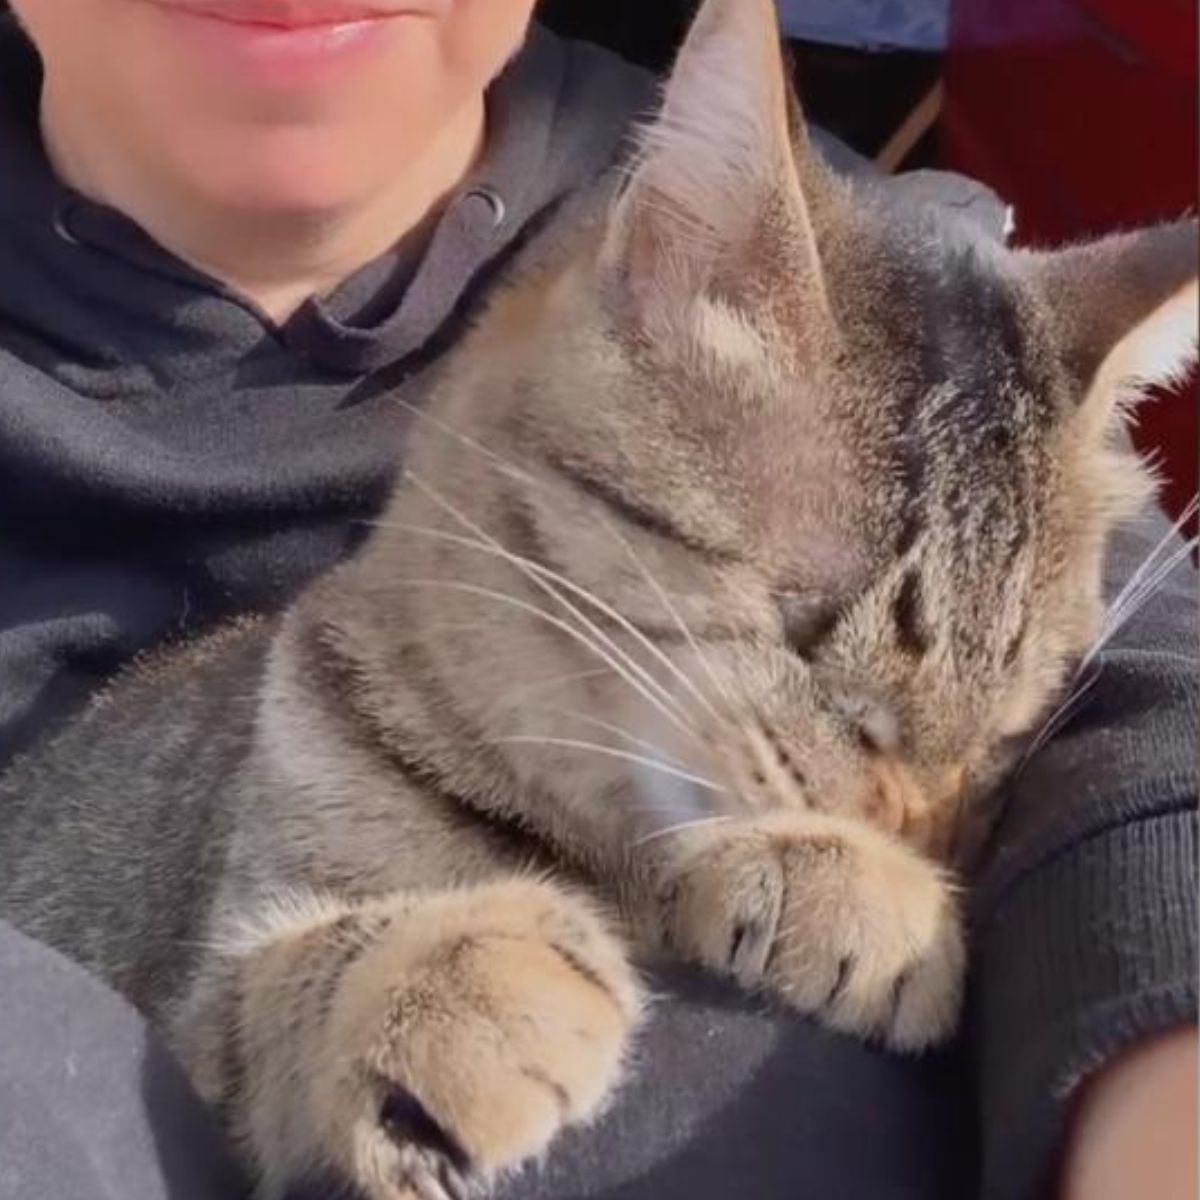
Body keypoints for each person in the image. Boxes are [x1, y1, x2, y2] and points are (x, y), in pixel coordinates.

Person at [0, 2, 1194, 1199]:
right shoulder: (706, 322)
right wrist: (378, 995)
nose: (907, 823)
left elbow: (1154, 714)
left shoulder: (867, 271)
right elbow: (199, 1043)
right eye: (808, 639)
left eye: (977, 750)